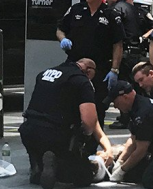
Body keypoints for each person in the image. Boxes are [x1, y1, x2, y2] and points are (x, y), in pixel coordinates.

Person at [19, 58, 114, 189]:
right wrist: (84, 139)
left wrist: (107, 148)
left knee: (43, 154)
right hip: (56, 135)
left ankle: (38, 165)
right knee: (83, 177)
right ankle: (59, 166)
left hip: (29, 131)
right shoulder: (81, 81)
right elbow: (90, 121)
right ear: (88, 71)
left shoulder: (44, 74)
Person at [56, 0, 125, 135]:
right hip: (75, 66)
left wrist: (114, 70)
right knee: (71, 104)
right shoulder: (76, 10)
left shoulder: (111, 14)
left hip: (99, 69)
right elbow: (60, 29)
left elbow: (118, 44)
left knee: (97, 108)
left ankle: (93, 145)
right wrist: (63, 39)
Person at [105, 0, 143, 130]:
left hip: (124, 53)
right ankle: (134, 117)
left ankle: (125, 118)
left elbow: (115, 34)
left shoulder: (115, 10)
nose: (106, 0)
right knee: (134, 87)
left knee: (122, 88)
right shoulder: (132, 8)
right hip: (136, 52)